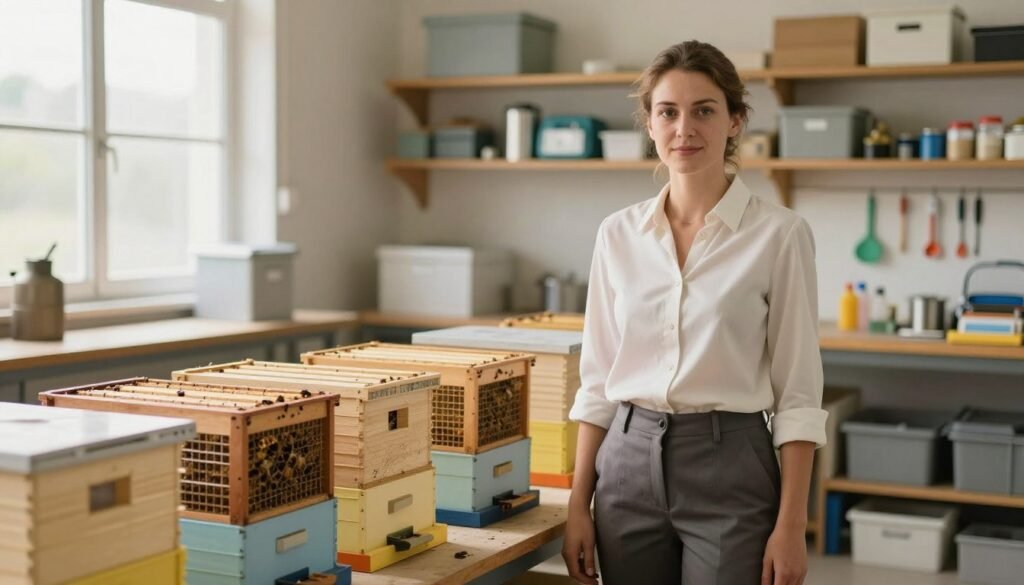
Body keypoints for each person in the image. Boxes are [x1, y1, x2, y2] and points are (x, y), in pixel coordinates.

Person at [561, 40, 827, 585]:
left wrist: (792, 525)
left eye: (704, 110)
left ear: (735, 121)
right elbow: (596, 384)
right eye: (668, 112)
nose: (685, 128)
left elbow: (799, 394)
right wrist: (576, 506)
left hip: (731, 464)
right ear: (651, 124)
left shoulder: (780, 235)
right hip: (626, 467)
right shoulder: (617, 234)